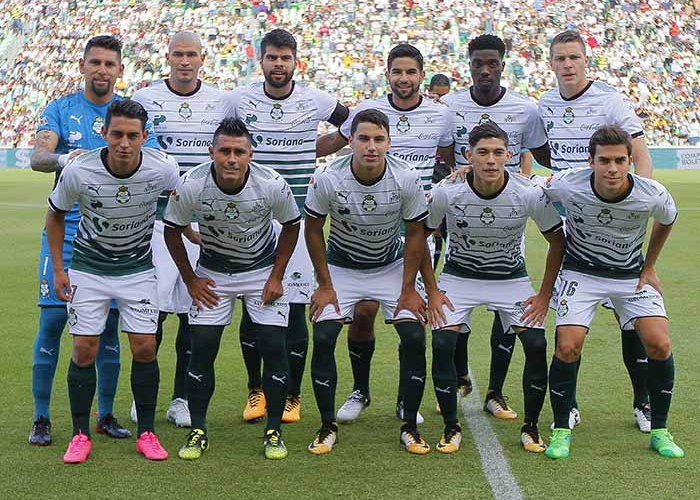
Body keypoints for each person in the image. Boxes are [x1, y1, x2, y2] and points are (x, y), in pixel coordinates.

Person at [28, 35, 155, 445]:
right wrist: (70, 157)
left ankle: (105, 414)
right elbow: (38, 158)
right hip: (68, 236)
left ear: (119, 70)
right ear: (83, 66)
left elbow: (150, 164)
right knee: (52, 321)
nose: (102, 70)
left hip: (117, 241)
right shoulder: (61, 109)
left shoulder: (129, 115)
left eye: (109, 64)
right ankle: (42, 416)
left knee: (110, 329)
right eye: (95, 62)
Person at [322, 44, 454, 424]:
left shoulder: (439, 116)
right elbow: (335, 144)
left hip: (416, 225)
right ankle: (361, 391)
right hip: (366, 221)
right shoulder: (367, 112)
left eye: (411, 72)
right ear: (387, 74)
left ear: (420, 76)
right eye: (397, 71)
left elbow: (449, 158)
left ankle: (404, 400)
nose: (404, 78)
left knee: (409, 311)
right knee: (363, 313)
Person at [223, 28, 349, 424]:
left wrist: (314, 148)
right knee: (253, 306)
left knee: (296, 310)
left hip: (296, 222)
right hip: (250, 220)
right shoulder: (238, 100)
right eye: (272, 57)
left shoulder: (315, 100)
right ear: (261, 61)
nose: (279, 64)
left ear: (296, 62)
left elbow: (351, 123)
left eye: (285, 58)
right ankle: (255, 390)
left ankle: (292, 395)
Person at [46, 99, 179, 463]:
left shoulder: (163, 168)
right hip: (89, 268)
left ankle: (147, 433)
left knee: (145, 347)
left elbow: (180, 200)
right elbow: (55, 216)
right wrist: (60, 269)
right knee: (84, 348)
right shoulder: (79, 170)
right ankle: (79, 434)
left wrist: (188, 230)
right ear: (103, 133)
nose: (124, 143)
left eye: (132, 135)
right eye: (116, 134)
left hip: (137, 271)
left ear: (144, 137)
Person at [541, 125, 683, 459]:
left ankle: (660, 430)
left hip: (630, 276)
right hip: (582, 273)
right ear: (590, 161)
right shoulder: (567, 183)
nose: (613, 168)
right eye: (604, 160)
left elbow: (668, 219)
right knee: (567, 347)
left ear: (631, 161)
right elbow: (528, 189)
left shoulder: (652, 193)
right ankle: (561, 429)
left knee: (660, 344)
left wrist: (649, 266)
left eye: (620, 160)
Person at [163, 118, 301, 460]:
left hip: (261, 272)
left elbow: (292, 226)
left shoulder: (272, 184)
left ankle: (274, 431)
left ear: (250, 154)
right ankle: (198, 430)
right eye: (224, 151)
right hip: (214, 275)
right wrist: (191, 279)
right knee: (203, 348)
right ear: (211, 151)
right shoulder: (191, 183)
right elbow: (171, 231)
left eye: (239, 151)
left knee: (273, 346)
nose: (231, 159)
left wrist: (276, 276)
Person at [539, 30, 654, 432]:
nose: (568, 65)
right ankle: (567, 403)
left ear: (585, 61)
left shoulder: (609, 99)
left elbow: (638, 150)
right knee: (570, 324)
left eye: (574, 57)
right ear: (550, 63)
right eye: (560, 58)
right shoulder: (547, 102)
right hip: (573, 226)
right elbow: (540, 152)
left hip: (615, 223)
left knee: (632, 319)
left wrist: (639, 196)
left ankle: (644, 403)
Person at [424, 122, 564, 453]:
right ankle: (450, 427)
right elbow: (419, 236)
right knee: (443, 341)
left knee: (535, 343)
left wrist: (544, 296)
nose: (490, 160)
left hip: (510, 279)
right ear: (468, 156)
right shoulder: (448, 190)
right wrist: (431, 290)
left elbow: (557, 242)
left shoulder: (527, 192)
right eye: (482, 153)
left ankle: (530, 427)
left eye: (497, 153)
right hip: (459, 276)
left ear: (509, 155)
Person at [304, 109, 430, 455]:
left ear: (389, 142)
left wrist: (408, 290)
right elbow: (313, 229)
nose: (371, 147)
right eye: (363, 139)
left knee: (414, 333)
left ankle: (408, 422)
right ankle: (327, 425)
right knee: (325, 334)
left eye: (378, 139)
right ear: (351, 141)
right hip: (341, 268)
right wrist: (325, 284)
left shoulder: (406, 177)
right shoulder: (329, 176)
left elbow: (416, 233)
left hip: (390, 266)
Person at [442, 34, 550, 421]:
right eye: (477, 63)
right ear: (468, 64)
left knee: (507, 312)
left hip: (508, 220)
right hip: (459, 218)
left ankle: (496, 392)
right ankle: (458, 377)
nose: (485, 70)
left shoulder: (525, 109)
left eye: (492, 63)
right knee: (459, 301)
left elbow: (543, 157)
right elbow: (440, 155)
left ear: (503, 64)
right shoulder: (450, 106)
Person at [131, 31, 227, 428]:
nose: (184, 61)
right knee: (151, 315)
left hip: (204, 226)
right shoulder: (144, 98)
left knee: (194, 315)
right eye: (177, 54)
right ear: (166, 57)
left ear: (202, 58)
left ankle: (181, 398)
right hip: (156, 224)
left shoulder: (222, 101)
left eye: (191, 55)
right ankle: (145, 398)